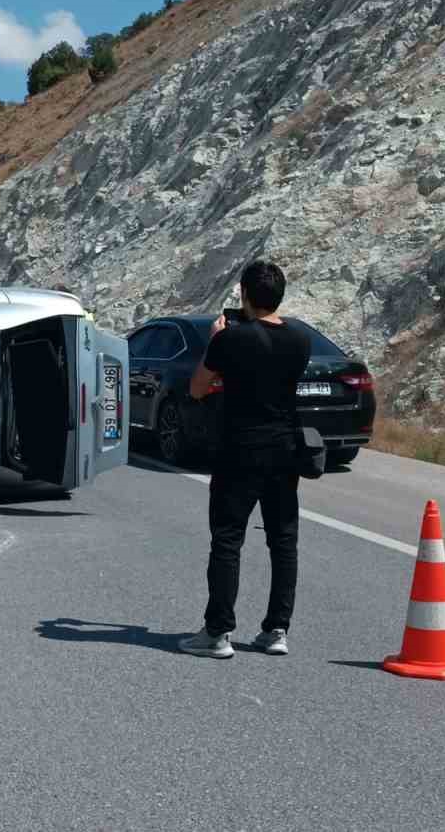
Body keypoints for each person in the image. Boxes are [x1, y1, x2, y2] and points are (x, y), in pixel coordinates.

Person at [179, 260, 312, 659]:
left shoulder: (230, 339)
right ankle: (276, 630)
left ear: (244, 294)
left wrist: (215, 341)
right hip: (284, 451)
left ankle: (217, 632)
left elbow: (198, 388)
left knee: (227, 540)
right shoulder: (301, 340)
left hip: (239, 450)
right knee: (283, 541)